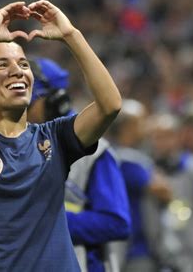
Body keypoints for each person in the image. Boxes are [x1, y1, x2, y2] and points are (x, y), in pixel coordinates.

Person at [0, 0, 122, 271]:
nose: (17, 71)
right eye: (2, 64)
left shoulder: (56, 137)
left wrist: (71, 35)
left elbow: (109, 105)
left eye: (23, 64)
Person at [27, 57, 131, 272]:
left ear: (56, 100)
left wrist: (41, 222)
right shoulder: (21, 145)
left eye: (31, 99)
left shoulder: (95, 152)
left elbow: (116, 222)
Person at [144, 113, 193, 272]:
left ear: (178, 137)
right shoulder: (147, 169)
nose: (160, 143)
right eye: (156, 137)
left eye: (166, 136)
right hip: (156, 258)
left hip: (190, 259)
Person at [107, 99, 173, 272]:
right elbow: (164, 191)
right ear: (128, 127)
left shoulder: (110, 153)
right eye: (142, 121)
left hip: (121, 248)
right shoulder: (127, 160)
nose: (146, 127)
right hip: (136, 250)